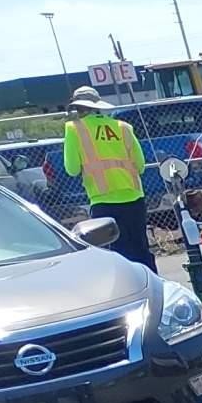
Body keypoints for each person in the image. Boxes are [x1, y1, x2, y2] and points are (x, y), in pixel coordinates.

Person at [61, 86, 153, 269]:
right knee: (140, 248)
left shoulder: (74, 129)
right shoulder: (124, 128)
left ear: (77, 108)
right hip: (134, 196)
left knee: (116, 252)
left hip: (102, 199)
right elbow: (141, 166)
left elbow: (71, 169)